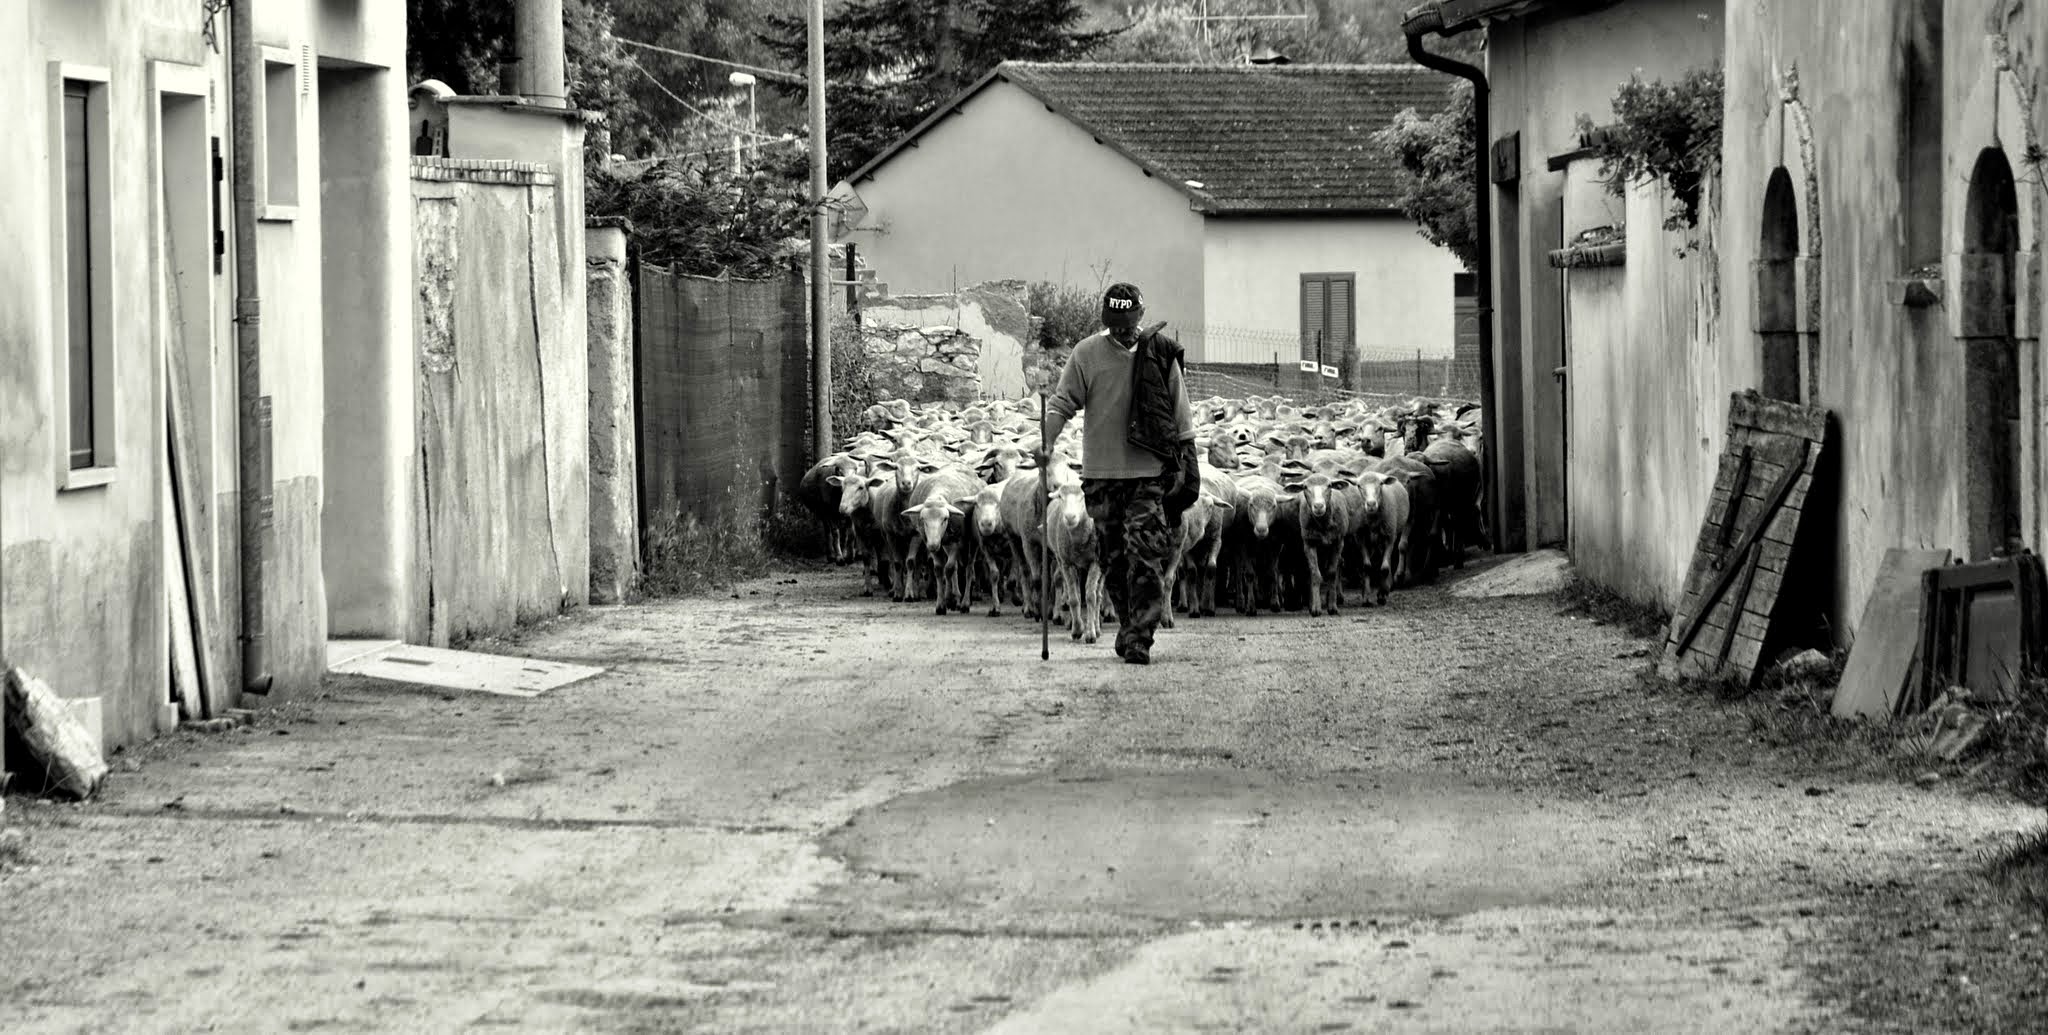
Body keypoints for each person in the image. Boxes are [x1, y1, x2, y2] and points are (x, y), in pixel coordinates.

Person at [1037, 283, 1201, 665]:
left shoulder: (1159, 354)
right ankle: (1128, 625)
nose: (1125, 331)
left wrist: (1188, 460)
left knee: (1145, 557)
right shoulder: (1087, 353)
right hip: (1101, 476)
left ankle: (1140, 638)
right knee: (1112, 560)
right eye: (1117, 324)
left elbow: (1180, 410)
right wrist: (1047, 441)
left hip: (1148, 473)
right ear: (1106, 322)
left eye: (1130, 323)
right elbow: (1063, 402)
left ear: (1140, 317)